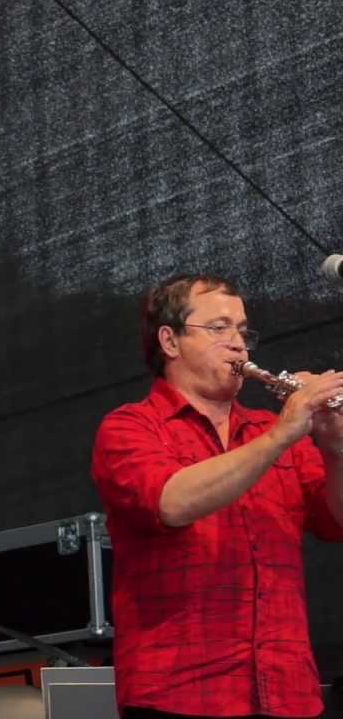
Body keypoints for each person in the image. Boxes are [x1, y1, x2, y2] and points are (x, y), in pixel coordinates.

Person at [92, 273, 343, 719]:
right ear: (170, 341)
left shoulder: (268, 430)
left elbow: (337, 520)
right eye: (219, 328)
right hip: (180, 692)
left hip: (288, 692)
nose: (239, 343)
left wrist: (336, 448)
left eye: (243, 330)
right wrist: (285, 432)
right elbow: (172, 502)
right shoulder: (129, 427)